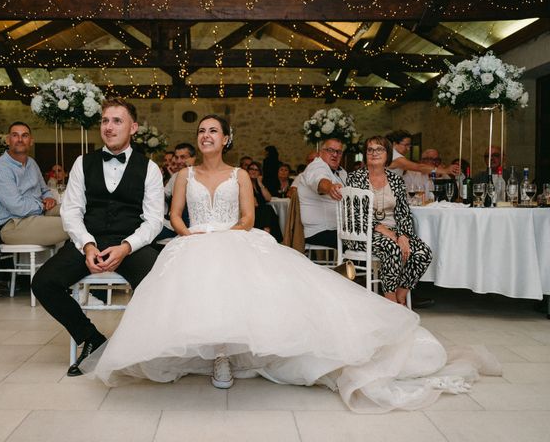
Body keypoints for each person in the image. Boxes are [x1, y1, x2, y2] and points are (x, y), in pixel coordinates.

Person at [83, 115, 497, 413]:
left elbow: (248, 217)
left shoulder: (239, 175)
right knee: (189, 283)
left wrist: (228, 236)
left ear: (226, 138)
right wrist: (190, 236)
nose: (205, 136)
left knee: (254, 287)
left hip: (234, 237)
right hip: (195, 239)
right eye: (201, 131)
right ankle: (212, 351)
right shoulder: (185, 176)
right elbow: (174, 216)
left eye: (212, 131)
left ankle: (229, 353)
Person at [32, 98, 164, 377]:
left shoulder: (149, 168)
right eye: (105, 120)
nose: (109, 126)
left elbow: (153, 221)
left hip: (131, 242)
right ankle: (90, 337)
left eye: (117, 121)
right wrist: (87, 245)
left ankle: (144, 347)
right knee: (43, 282)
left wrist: (126, 247)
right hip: (88, 239)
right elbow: (71, 211)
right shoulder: (83, 163)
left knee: (159, 282)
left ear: (133, 128)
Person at [347, 136, 433, 305]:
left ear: (388, 154)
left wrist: (402, 235)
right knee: (392, 247)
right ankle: (390, 302)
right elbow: (357, 214)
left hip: (393, 232)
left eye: (379, 149)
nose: (374, 153)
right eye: (370, 149)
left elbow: (403, 213)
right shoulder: (355, 178)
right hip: (363, 233)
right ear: (365, 154)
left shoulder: (396, 180)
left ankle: (401, 293)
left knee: (423, 252)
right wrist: (385, 231)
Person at [0, 122, 68, 246]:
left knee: (81, 211)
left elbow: (45, 190)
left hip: (39, 213)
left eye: (24, 135)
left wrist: (49, 197)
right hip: (14, 224)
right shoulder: (0, 168)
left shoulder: (32, 163)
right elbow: (17, 207)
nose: (19, 139)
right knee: (74, 223)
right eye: (15, 135)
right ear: (8, 140)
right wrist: (41, 205)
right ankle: (63, 264)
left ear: (31, 141)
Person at [292, 138, 346, 249]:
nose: (335, 155)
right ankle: (355, 266)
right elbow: (320, 180)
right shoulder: (316, 166)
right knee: (361, 241)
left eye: (339, 152)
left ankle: (355, 266)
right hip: (319, 231)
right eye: (330, 150)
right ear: (320, 152)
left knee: (369, 237)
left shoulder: (341, 172)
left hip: (337, 229)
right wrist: (330, 187)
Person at [386, 130, 458, 178]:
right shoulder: (394, 156)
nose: (408, 149)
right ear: (394, 144)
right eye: (406, 145)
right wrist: (445, 170)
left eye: (409, 146)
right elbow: (419, 167)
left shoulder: (390, 154)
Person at [246, 161, 282, 242]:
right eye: (251, 169)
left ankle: (267, 232)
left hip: (262, 211)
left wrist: (260, 183)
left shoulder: (259, 185)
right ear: (247, 171)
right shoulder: (245, 183)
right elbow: (254, 203)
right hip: (252, 211)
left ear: (259, 172)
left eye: (256, 170)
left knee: (268, 209)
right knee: (267, 209)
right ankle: (267, 234)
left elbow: (268, 198)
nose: (253, 171)